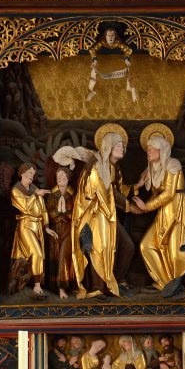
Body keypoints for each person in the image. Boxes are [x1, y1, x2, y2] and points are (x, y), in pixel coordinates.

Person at [132, 124, 185, 297]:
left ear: (162, 150)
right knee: (147, 246)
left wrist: (147, 207)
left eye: (152, 149)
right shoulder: (151, 169)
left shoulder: (173, 164)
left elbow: (169, 193)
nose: (148, 151)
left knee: (178, 253)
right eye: (148, 148)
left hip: (178, 211)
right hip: (163, 213)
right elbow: (154, 194)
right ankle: (166, 282)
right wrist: (141, 205)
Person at [71, 124, 137, 299]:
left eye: (123, 146)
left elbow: (116, 190)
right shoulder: (97, 165)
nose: (122, 149)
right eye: (118, 146)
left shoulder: (112, 167)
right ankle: (97, 287)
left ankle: (116, 280)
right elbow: (104, 193)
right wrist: (129, 207)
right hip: (95, 213)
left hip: (109, 214)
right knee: (99, 247)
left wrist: (135, 188)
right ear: (109, 146)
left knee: (127, 246)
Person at [10, 163, 58, 297]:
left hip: (38, 227)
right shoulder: (16, 190)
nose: (32, 175)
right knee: (36, 253)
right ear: (22, 173)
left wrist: (46, 228)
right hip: (26, 225)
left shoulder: (35, 189)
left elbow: (43, 210)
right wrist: (35, 194)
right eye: (30, 173)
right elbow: (25, 207)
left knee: (40, 255)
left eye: (33, 174)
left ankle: (35, 283)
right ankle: (37, 285)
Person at [46, 167, 75, 299]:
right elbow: (48, 213)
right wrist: (59, 211)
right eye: (58, 176)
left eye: (63, 176)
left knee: (64, 255)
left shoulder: (73, 195)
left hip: (69, 230)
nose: (60, 178)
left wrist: (65, 213)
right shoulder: (52, 195)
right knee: (56, 257)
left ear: (68, 178)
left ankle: (63, 287)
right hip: (55, 230)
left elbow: (76, 213)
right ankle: (55, 286)